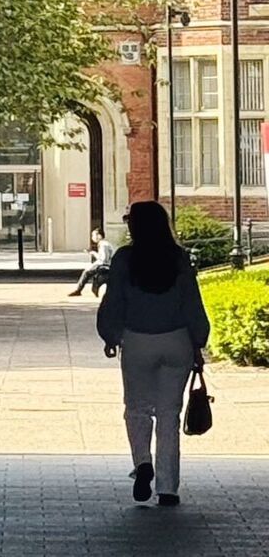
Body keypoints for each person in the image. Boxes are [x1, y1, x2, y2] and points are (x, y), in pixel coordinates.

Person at [96, 201, 209, 507]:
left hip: (137, 340)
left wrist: (110, 334)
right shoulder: (178, 258)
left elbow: (113, 301)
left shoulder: (125, 258)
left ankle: (143, 462)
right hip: (177, 340)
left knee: (136, 408)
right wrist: (198, 341)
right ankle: (168, 487)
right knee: (169, 414)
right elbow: (192, 303)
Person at [69, 228, 115, 297]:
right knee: (90, 271)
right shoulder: (104, 244)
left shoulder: (103, 244)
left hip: (104, 265)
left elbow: (104, 259)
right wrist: (92, 253)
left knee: (86, 272)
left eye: (93, 235)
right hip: (106, 265)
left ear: (99, 236)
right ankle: (91, 288)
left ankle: (78, 290)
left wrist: (93, 254)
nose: (92, 238)